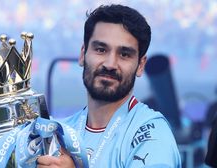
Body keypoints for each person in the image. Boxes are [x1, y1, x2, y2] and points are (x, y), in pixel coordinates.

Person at [37, 4, 182, 168]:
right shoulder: (61, 132)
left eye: (124, 54)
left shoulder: (152, 132)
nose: (110, 64)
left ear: (140, 65)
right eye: (100, 49)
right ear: (82, 54)